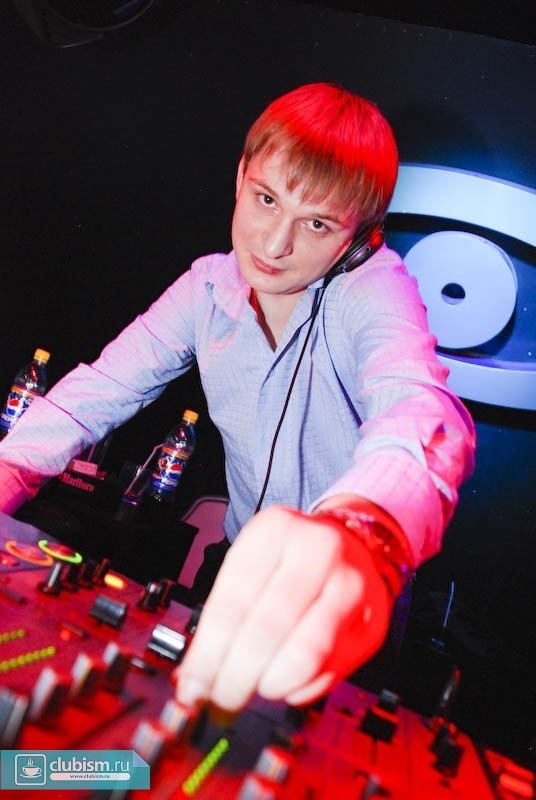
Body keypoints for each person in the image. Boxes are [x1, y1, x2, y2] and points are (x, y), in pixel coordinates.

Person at [0, 83, 475, 713]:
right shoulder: (208, 286)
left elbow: (421, 411)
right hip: (235, 560)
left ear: (358, 237)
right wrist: (9, 470)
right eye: (266, 199)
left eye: (316, 224)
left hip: (337, 595)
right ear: (240, 178)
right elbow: (99, 391)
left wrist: (365, 533)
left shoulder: (374, 290)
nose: (274, 245)